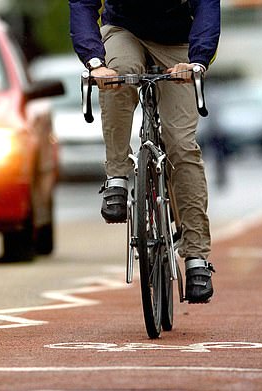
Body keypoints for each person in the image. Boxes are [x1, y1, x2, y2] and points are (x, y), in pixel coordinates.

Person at [69, 0, 220, 303]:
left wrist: (197, 61)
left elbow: (207, 5)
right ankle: (117, 175)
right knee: (118, 74)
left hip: (179, 41)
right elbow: (83, 4)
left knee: (181, 144)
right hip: (125, 32)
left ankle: (196, 257)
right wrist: (95, 63)